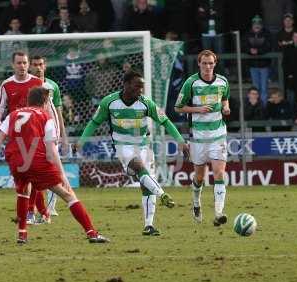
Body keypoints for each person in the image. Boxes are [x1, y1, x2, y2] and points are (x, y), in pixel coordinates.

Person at [0, 86, 109, 244]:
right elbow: (51, 151)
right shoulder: (45, 117)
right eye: (48, 101)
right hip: (35, 160)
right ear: (45, 101)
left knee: (23, 192)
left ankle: (22, 234)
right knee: (68, 195)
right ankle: (92, 233)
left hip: (16, 161)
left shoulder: (13, 115)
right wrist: (61, 175)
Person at [77, 70, 188, 236]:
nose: (140, 91)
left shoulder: (146, 104)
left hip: (143, 146)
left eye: (142, 88)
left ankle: (149, 225)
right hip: (123, 147)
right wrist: (81, 142)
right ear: (126, 85)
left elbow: (165, 121)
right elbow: (94, 122)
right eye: (137, 87)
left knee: (146, 184)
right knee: (138, 166)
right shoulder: (109, 102)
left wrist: (180, 141)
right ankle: (163, 194)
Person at [175, 49, 230, 227]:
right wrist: (197, 109)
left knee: (219, 173)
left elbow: (225, 99)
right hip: (198, 136)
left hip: (218, 134)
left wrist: (226, 107)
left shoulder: (223, 81)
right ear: (199, 63)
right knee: (199, 177)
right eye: (204, 63)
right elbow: (178, 107)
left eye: (211, 63)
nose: (208, 66)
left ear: (215, 64)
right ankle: (197, 204)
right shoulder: (191, 83)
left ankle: (219, 213)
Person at [0, 51, 47, 225]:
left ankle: (34, 212)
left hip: (36, 135)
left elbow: (47, 107)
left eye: (24, 63)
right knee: (25, 176)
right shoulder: (6, 85)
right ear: (12, 65)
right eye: (19, 63)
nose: (22, 66)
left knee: (33, 176)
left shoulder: (37, 82)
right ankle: (38, 212)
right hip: (17, 137)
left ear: (28, 64)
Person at [28, 55, 69, 220]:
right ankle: (35, 208)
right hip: (34, 134)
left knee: (52, 169)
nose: (38, 67)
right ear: (30, 67)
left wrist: (64, 137)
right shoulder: (28, 85)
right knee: (36, 171)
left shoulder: (53, 86)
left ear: (45, 66)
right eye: (35, 64)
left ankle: (50, 208)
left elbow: (58, 112)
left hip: (51, 133)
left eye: (41, 64)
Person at [243, 15, 272, 107]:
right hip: (253, 65)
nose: (257, 25)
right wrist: (250, 51)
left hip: (264, 65)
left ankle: (263, 109)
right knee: (255, 88)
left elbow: (269, 46)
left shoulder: (267, 33)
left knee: (264, 88)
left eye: (259, 24)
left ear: (262, 25)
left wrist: (258, 51)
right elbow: (243, 46)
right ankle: (256, 108)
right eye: (255, 24)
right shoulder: (247, 34)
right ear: (252, 25)